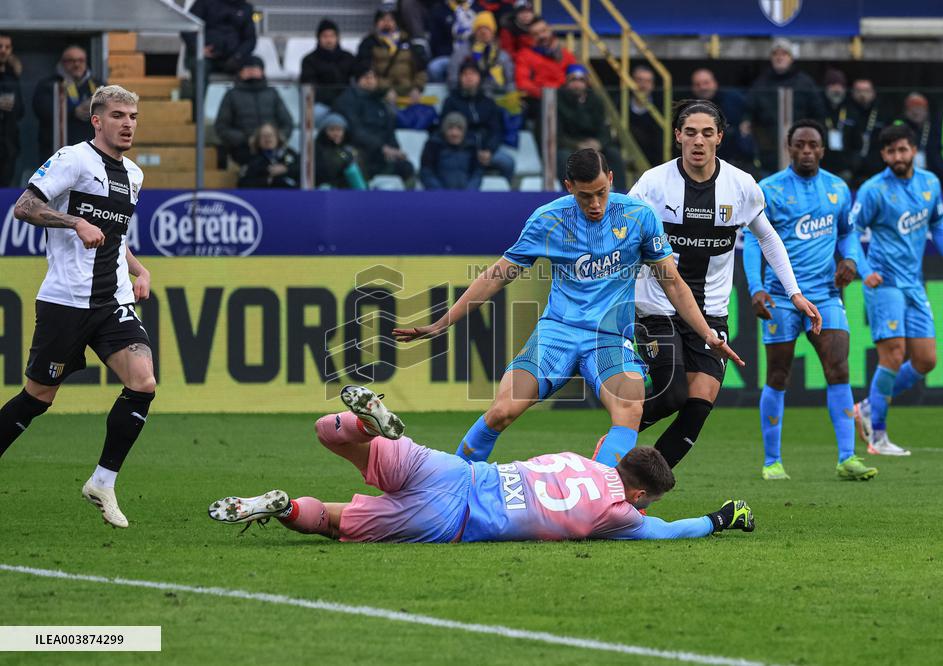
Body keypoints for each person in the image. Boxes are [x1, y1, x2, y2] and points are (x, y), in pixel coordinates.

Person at [393, 148, 742, 466]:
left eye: (601, 193)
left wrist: (707, 334)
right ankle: (453, 483)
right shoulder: (548, 220)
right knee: (502, 411)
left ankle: (602, 503)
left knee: (630, 409)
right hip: (557, 332)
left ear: (611, 181)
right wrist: (442, 323)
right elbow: (496, 276)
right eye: (584, 196)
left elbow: (674, 284)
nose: (595, 204)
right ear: (569, 187)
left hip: (608, 337)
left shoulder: (638, 216)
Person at [209, 386, 756, 542]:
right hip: (454, 522)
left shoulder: (582, 460)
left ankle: (367, 423)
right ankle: (282, 507)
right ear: (638, 496)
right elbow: (664, 531)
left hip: (456, 473)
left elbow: (616, 439)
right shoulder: (619, 512)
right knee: (331, 522)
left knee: (329, 434)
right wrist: (717, 519)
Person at [629, 100, 820, 469]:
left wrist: (794, 292)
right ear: (677, 136)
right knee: (671, 396)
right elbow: (624, 235)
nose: (697, 141)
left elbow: (768, 238)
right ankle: (615, 439)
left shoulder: (741, 185)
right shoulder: (653, 184)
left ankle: (640, 487)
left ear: (719, 137)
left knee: (698, 406)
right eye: (690, 132)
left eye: (706, 133)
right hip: (658, 308)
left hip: (711, 313)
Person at [0, 85, 154, 529]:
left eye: (133, 116)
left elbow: (117, 235)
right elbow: (24, 206)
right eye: (119, 115)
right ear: (98, 120)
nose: (128, 123)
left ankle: (103, 481)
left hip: (113, 301)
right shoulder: (73, 160)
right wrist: (74, 220)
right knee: (36, 399)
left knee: (143, 381)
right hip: (66, 301)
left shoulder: (135, 176)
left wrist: (139, 270)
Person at [742, 119, 877, 481]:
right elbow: (754, 241)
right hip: (781, 298)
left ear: (822, 149)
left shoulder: (837, 188)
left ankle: (847, 458)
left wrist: (849, 259)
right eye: (799, 144)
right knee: (778, 374)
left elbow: (847, 234)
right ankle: (772, 461)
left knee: (839, 369)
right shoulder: (767, 189)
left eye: (812, 145)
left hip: (826, 294)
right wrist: (756, 287)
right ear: (789, 146)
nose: (806, 150)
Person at [851, 124, 943, 455]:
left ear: (914, 150)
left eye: (903, 149)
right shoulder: (873, 190)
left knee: (926, 360)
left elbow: (938, 228)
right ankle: (878, 437)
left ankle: (867, 406)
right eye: (891, 151)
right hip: (884, 282)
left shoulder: (930, 183)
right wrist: (865, 270)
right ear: (883, 155)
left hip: (914, 283)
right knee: (894, 354)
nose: (898, 156)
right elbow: (850, 232)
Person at [742, 38, 824, 173]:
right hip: (768, 152)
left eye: (784, 54)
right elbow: (748, 112)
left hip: (800, 151)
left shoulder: (805, 83)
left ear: (791, 58)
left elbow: (818, 114)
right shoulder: (761, 84)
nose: (779, 57)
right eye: (776, 54)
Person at [335, 63, 414, 182]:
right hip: (360, 152)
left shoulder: (380, 101)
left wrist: (395, 150)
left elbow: (389, 130)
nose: (370, 81)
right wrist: (382, 148)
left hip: (381, 155)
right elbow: (355, 131)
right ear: (357, 80)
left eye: (373, 77)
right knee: (356, 163)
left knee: (407, 168)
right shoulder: (347, 100)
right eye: (366, 77)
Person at [441, 62, 515, 182]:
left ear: (479, 78)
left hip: (487, 150)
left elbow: (496, 130)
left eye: (473, 74)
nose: (469, 77)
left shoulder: (488, 103)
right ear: (459, 78)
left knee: (507, 162)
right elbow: (446, 129)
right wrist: (471, 149)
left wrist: (489, 150)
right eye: (465, 74)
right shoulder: (451, 102)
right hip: (461, 150)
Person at [214, 55, 293, 166]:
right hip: (244, 147)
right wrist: (247, 139)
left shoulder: (272, 93)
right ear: (240, 73)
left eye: (255, 68)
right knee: (258, 166)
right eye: (247, 69)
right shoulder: (231, 95)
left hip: (273, 146)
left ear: (262, 71)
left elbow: (287, 123)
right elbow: (222, 127)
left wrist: (275, 138)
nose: (251, 72)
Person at [556, 65, 626, 189]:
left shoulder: (596, 100)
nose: (577, 84)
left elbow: (605, 129)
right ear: (566, 81)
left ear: (587, 82)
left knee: (613, 154)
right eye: (573, 80)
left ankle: (621, 194)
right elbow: (557, 135)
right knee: (563, 156)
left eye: (581, 80)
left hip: (593, 145)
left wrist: (599, 143)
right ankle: (568, 193)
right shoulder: (557, 101)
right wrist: (577, 145)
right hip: (569, 145)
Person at [33, 45, 104, 159]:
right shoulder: (49, 85)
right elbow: (42, 111)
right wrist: (73, 111)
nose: (76, 64)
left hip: (90, 152)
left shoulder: (97, 85)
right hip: (57, 151)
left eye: (80, 60)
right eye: (71, 61)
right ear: (62, 63)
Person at [690, 68, 754, 171]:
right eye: (698, 84)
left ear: (714, 83)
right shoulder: (689, 107)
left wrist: (746, 124)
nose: (702, 87)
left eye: (706, 83)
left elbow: (752, 112)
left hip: (737, 160)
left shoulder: (733, 99)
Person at [358, 8, 429, 98]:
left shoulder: (407, 41)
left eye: (390, 19)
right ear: (376, 23)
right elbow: (366, 71)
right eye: (382, 19)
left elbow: (421, 70)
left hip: (408, 89)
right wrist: (383, 89)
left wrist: (417, 88)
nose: (386, 23)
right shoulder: (368, 43)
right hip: (381, 91)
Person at [515, 18, 577, 120]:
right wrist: (545, 93)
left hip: (564, 98)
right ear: (531, 37)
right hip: (539, 100)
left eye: (543, 31)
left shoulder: (566, 55)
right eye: (536, 34)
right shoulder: (525, 55)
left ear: (550, 30)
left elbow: (574, 76)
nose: (542, 36)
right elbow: (522, 82)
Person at [300, 19, 356, 124]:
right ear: (319, 38)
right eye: (325, 36)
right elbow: (310, 88)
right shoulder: (309, 60)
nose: (329, 40)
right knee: (313, 115)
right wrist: (335, 102)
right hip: (322, 105)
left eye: (332, 36)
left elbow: (356, 82)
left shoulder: (349, 57)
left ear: (337, 38)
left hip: (346, 103)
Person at [182, 0, 256, 78]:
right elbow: (187, 28)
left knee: (256, 65)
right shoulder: (203, 2)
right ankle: (196, 90)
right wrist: (199, 48)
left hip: (233, 58)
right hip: (205, 57)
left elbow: (250, 39)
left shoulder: (245, 8)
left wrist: (238, 55)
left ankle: (244, 90)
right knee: (200, 66)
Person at [447, 11, 514, 96]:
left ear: (493, 32)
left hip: (498, 95)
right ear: (475, 32)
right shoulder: (463, 51)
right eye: (479, 28)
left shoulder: (502, 55)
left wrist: (511, 97)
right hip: (469, 96)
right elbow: (453, 77)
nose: (483, 32)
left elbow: (510, 81)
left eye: (487, 28)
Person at [419, 112, 482, 190]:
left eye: (459, 128)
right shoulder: (433, 145)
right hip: (438, 197)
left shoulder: (471, 146)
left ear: (464, 131)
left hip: (466, 197)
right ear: (444, 130)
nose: (454, 133)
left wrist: (469, 192)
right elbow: (426, 172)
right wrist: (440, 193)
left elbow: (477, 173)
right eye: (450, 128)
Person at [843, 78, 885, 188]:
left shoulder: (882, 112)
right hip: (850, 169)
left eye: (866, 91)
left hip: (875, 168)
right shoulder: (845, 111)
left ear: (873, 93)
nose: (862, 94)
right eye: (859, 91)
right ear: (852, 93)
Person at [425, 0, 476, 82]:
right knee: (434, 68)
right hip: (449, 56)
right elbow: (436, 43)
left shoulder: (478, 8)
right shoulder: (440, 11)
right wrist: (455, 58)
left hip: (477, 56)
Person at [237, 122, 300, 189]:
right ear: (258, 140)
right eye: (264, 136)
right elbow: (242, 184)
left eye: (270, 135)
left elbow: (302, 173)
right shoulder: (251, 157)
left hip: (291, 195)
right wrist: (267, 180)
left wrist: (286, 169)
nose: (268, 139)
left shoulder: (289, 154)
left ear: (277, 137)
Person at [314, 113, 367, 190]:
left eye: (339, 130)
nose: (336, 134)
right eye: (332, 130)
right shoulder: (316, 150)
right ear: (324, 131)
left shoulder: (349, 150)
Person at [0, 32, 24, 187]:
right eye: (0, 46)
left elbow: (21, 111)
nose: (3, 50)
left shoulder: (12, 75)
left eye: (7, 47)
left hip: (8, 145)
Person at [628, 64, 664, 167]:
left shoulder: (661, 106)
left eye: (648, 81)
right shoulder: (620, 103)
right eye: (639, 80)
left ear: (653, 85)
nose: (643, 85)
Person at [820, 68, 851, 180]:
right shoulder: (818, 108)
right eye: (833, 84)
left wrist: (852, 165)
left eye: (840, 85)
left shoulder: (850, 109)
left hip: (846, 169)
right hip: (822, 167)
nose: (837, 89)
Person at [896, 93, 932, 171]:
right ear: (906, 111)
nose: (916, 112)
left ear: (926, 111)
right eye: (912, 108)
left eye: (920, 108)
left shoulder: (932, 128)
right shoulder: (898, 127)